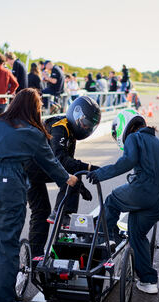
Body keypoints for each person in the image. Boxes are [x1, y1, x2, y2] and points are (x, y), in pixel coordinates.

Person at [0, 88, 78, 302]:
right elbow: (51, 163)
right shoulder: (32, 132)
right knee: (7, 244)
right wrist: (68, 178)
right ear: (35, 109)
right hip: (8, 184)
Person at [86, 109, 159, 294]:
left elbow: (127, 161)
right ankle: (148, 281)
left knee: (112, 200)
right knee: (137, 235)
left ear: (125, 126)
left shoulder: (134, 138)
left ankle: (108, 239)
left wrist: (100, 174)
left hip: (143, 191)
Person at [24, 96, 101, 256]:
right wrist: (87, 168)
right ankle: (61, 213)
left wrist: (79, 185)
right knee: (41, 210)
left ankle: (36, 255)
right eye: (85, 123)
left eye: (90, 127)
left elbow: (65, 164)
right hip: (29, 170)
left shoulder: (70, 131)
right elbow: (61, 160)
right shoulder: (60, 127)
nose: (86, 129)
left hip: (40, 168)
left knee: (43, 210)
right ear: (76, 113)